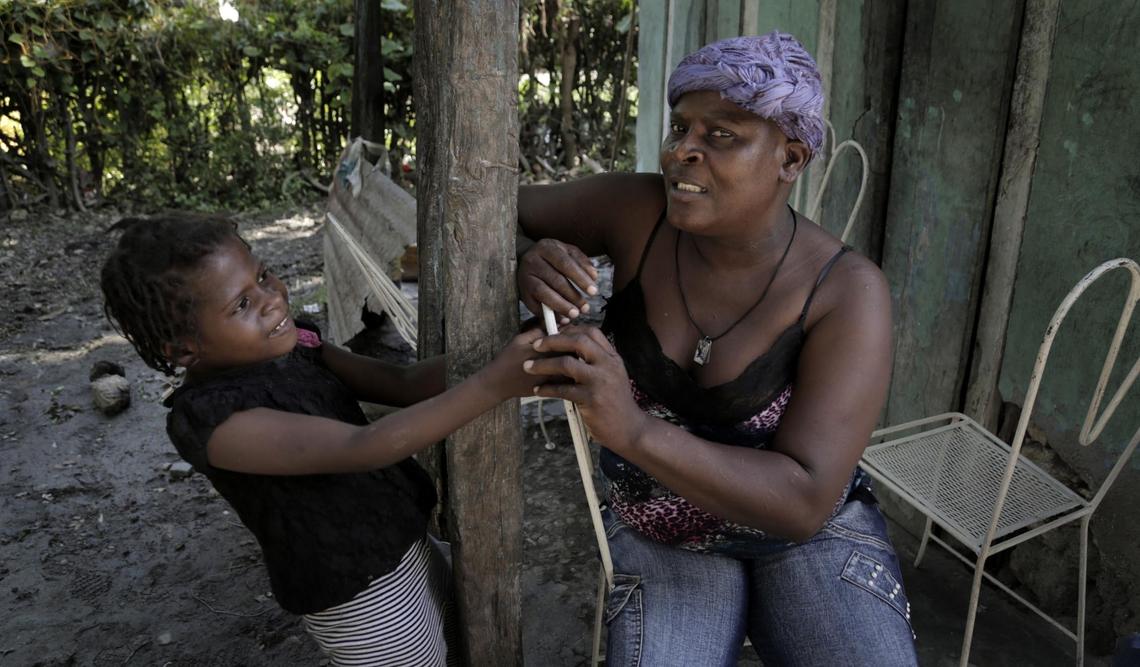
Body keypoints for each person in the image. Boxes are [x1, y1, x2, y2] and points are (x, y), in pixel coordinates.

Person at [516, 33, 918, 665]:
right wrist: (524, 261)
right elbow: (492, 213)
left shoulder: (845, 292)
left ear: (790, 158)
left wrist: (634, 431)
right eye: (680, 128)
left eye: (721, 135)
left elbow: (803, 502)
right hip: (658, 527)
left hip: (807, 541)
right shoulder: (636, 213)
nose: (682, 152)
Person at [100, 213, 543, 666]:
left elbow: (405, 382)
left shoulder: (300, 347)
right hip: (357, 599)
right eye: (241, 305)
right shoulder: (213, 421)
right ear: (183, 350)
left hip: (406, 542)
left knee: (454, 643)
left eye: (263, 276)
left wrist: (511, 355)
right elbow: (363, 446)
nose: (272, 300)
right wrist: (495, 384)